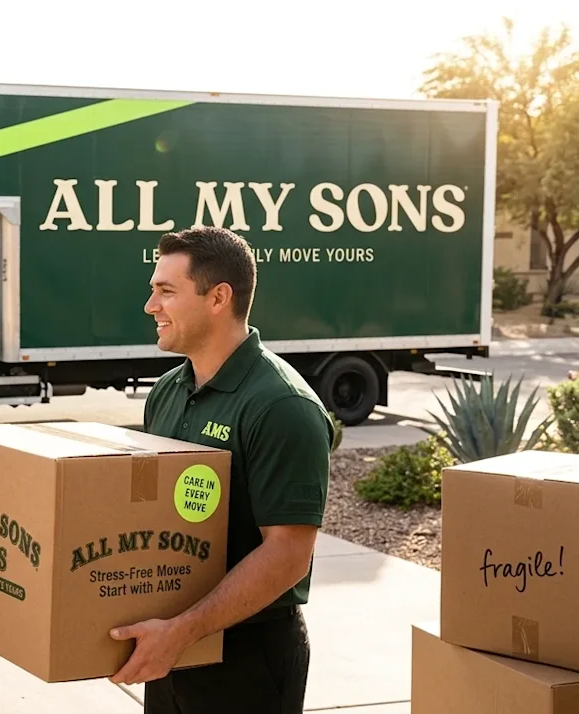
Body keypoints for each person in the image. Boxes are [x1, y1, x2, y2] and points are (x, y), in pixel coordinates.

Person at [108, 226, 335, 714]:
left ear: (219, 298)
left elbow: (289, 554)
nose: (151, 306)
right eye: (153, 290)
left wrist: (182, 631)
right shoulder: (167, 392)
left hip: (246, 657)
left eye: (166, 291)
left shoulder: (282, 407)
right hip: (172, 646)